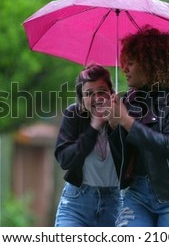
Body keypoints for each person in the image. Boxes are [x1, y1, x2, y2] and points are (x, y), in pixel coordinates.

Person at [108, 26, 169, 227]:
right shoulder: (126, 102)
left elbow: (168, 146)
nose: (124, 68)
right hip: (138, 194)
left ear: (149, 64)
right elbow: (119, 161)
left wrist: (126, 121)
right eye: (124, 61)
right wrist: (112, 127)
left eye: (131, 62)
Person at [54, 64, 122, 227]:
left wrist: (115, 128)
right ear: (82, 99)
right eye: (89, 93)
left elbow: (131, 162)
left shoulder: (123, 117)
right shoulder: (73, 115)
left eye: (101, 91)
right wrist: (93, 127)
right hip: (76, 203)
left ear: (111, 93)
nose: (96, 97)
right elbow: (65, 160)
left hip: (113, 204)